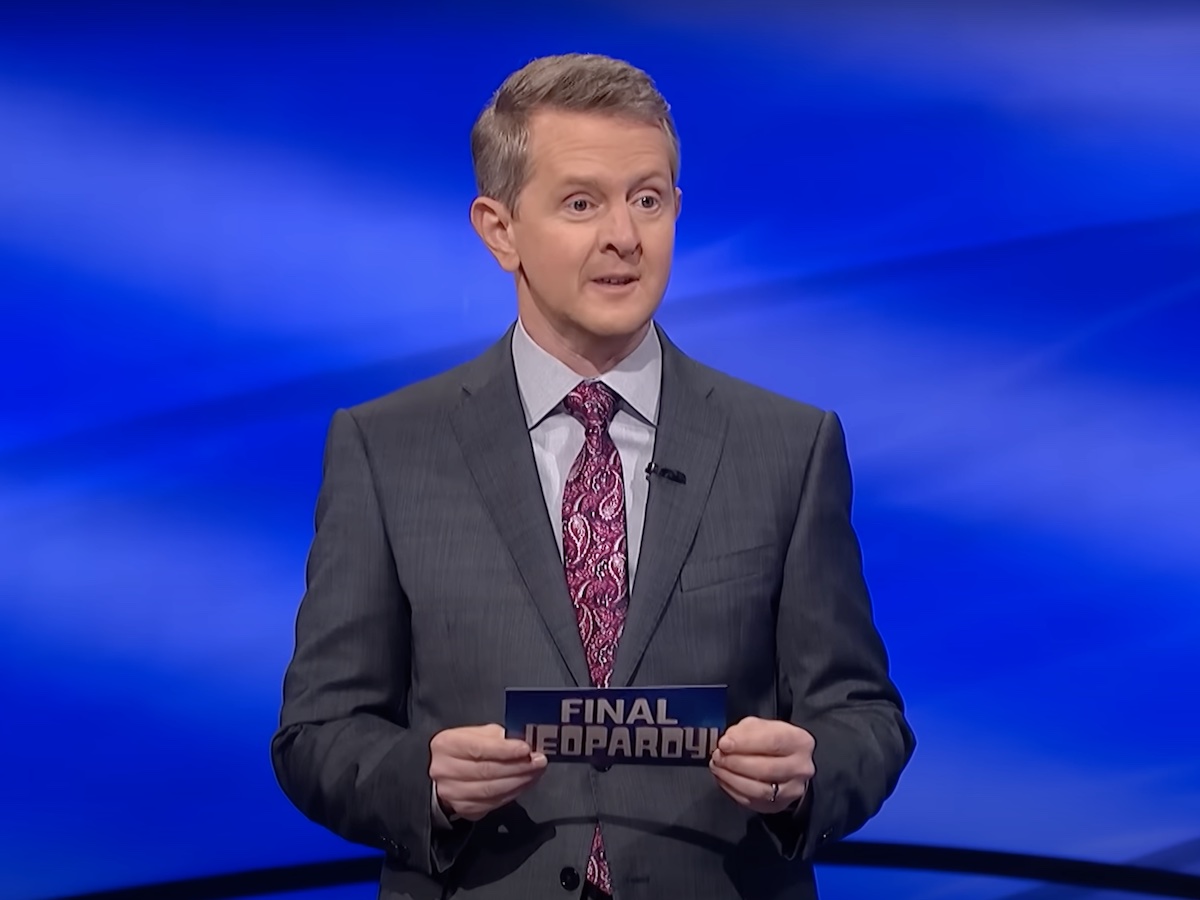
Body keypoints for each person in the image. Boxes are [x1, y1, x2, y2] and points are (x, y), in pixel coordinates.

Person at [271, 52, 915, 900]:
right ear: (499, 230)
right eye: (582, 203)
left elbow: (866, 717)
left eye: (647, 199)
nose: (624, 237)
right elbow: (317, 732)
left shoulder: (788, 447)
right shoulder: (387, 448)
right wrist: (420, 778)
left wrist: (810, 769)